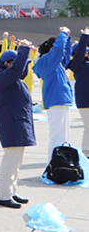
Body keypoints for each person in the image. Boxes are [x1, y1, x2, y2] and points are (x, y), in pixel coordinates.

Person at [0, 44, 35, 209]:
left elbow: (20, 72)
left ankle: (11, 191)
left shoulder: (10, 76)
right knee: (10, 161)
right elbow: (16, 71)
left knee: (17, 161)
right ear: (8, 63)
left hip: (18, 121)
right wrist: (23, 49)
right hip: (11, 121)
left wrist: (26, 57)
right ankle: (4, 196)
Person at [33, 27, 73, 161]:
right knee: (57, 136)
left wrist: (67, 38)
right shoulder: (47, 61)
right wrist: (62, 34)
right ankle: (53, 163)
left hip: (60, 100)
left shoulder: (53, 62)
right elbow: (58, 50)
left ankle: (61, 162)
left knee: (63, 136)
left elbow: (66, 55)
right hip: (56, 100)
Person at [69, 27, 89, 157]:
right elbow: (80, 52)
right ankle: (86, 152)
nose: (87, 54)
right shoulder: (76, 64)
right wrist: (85, 36)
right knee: (88, 128)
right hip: (85, 100)